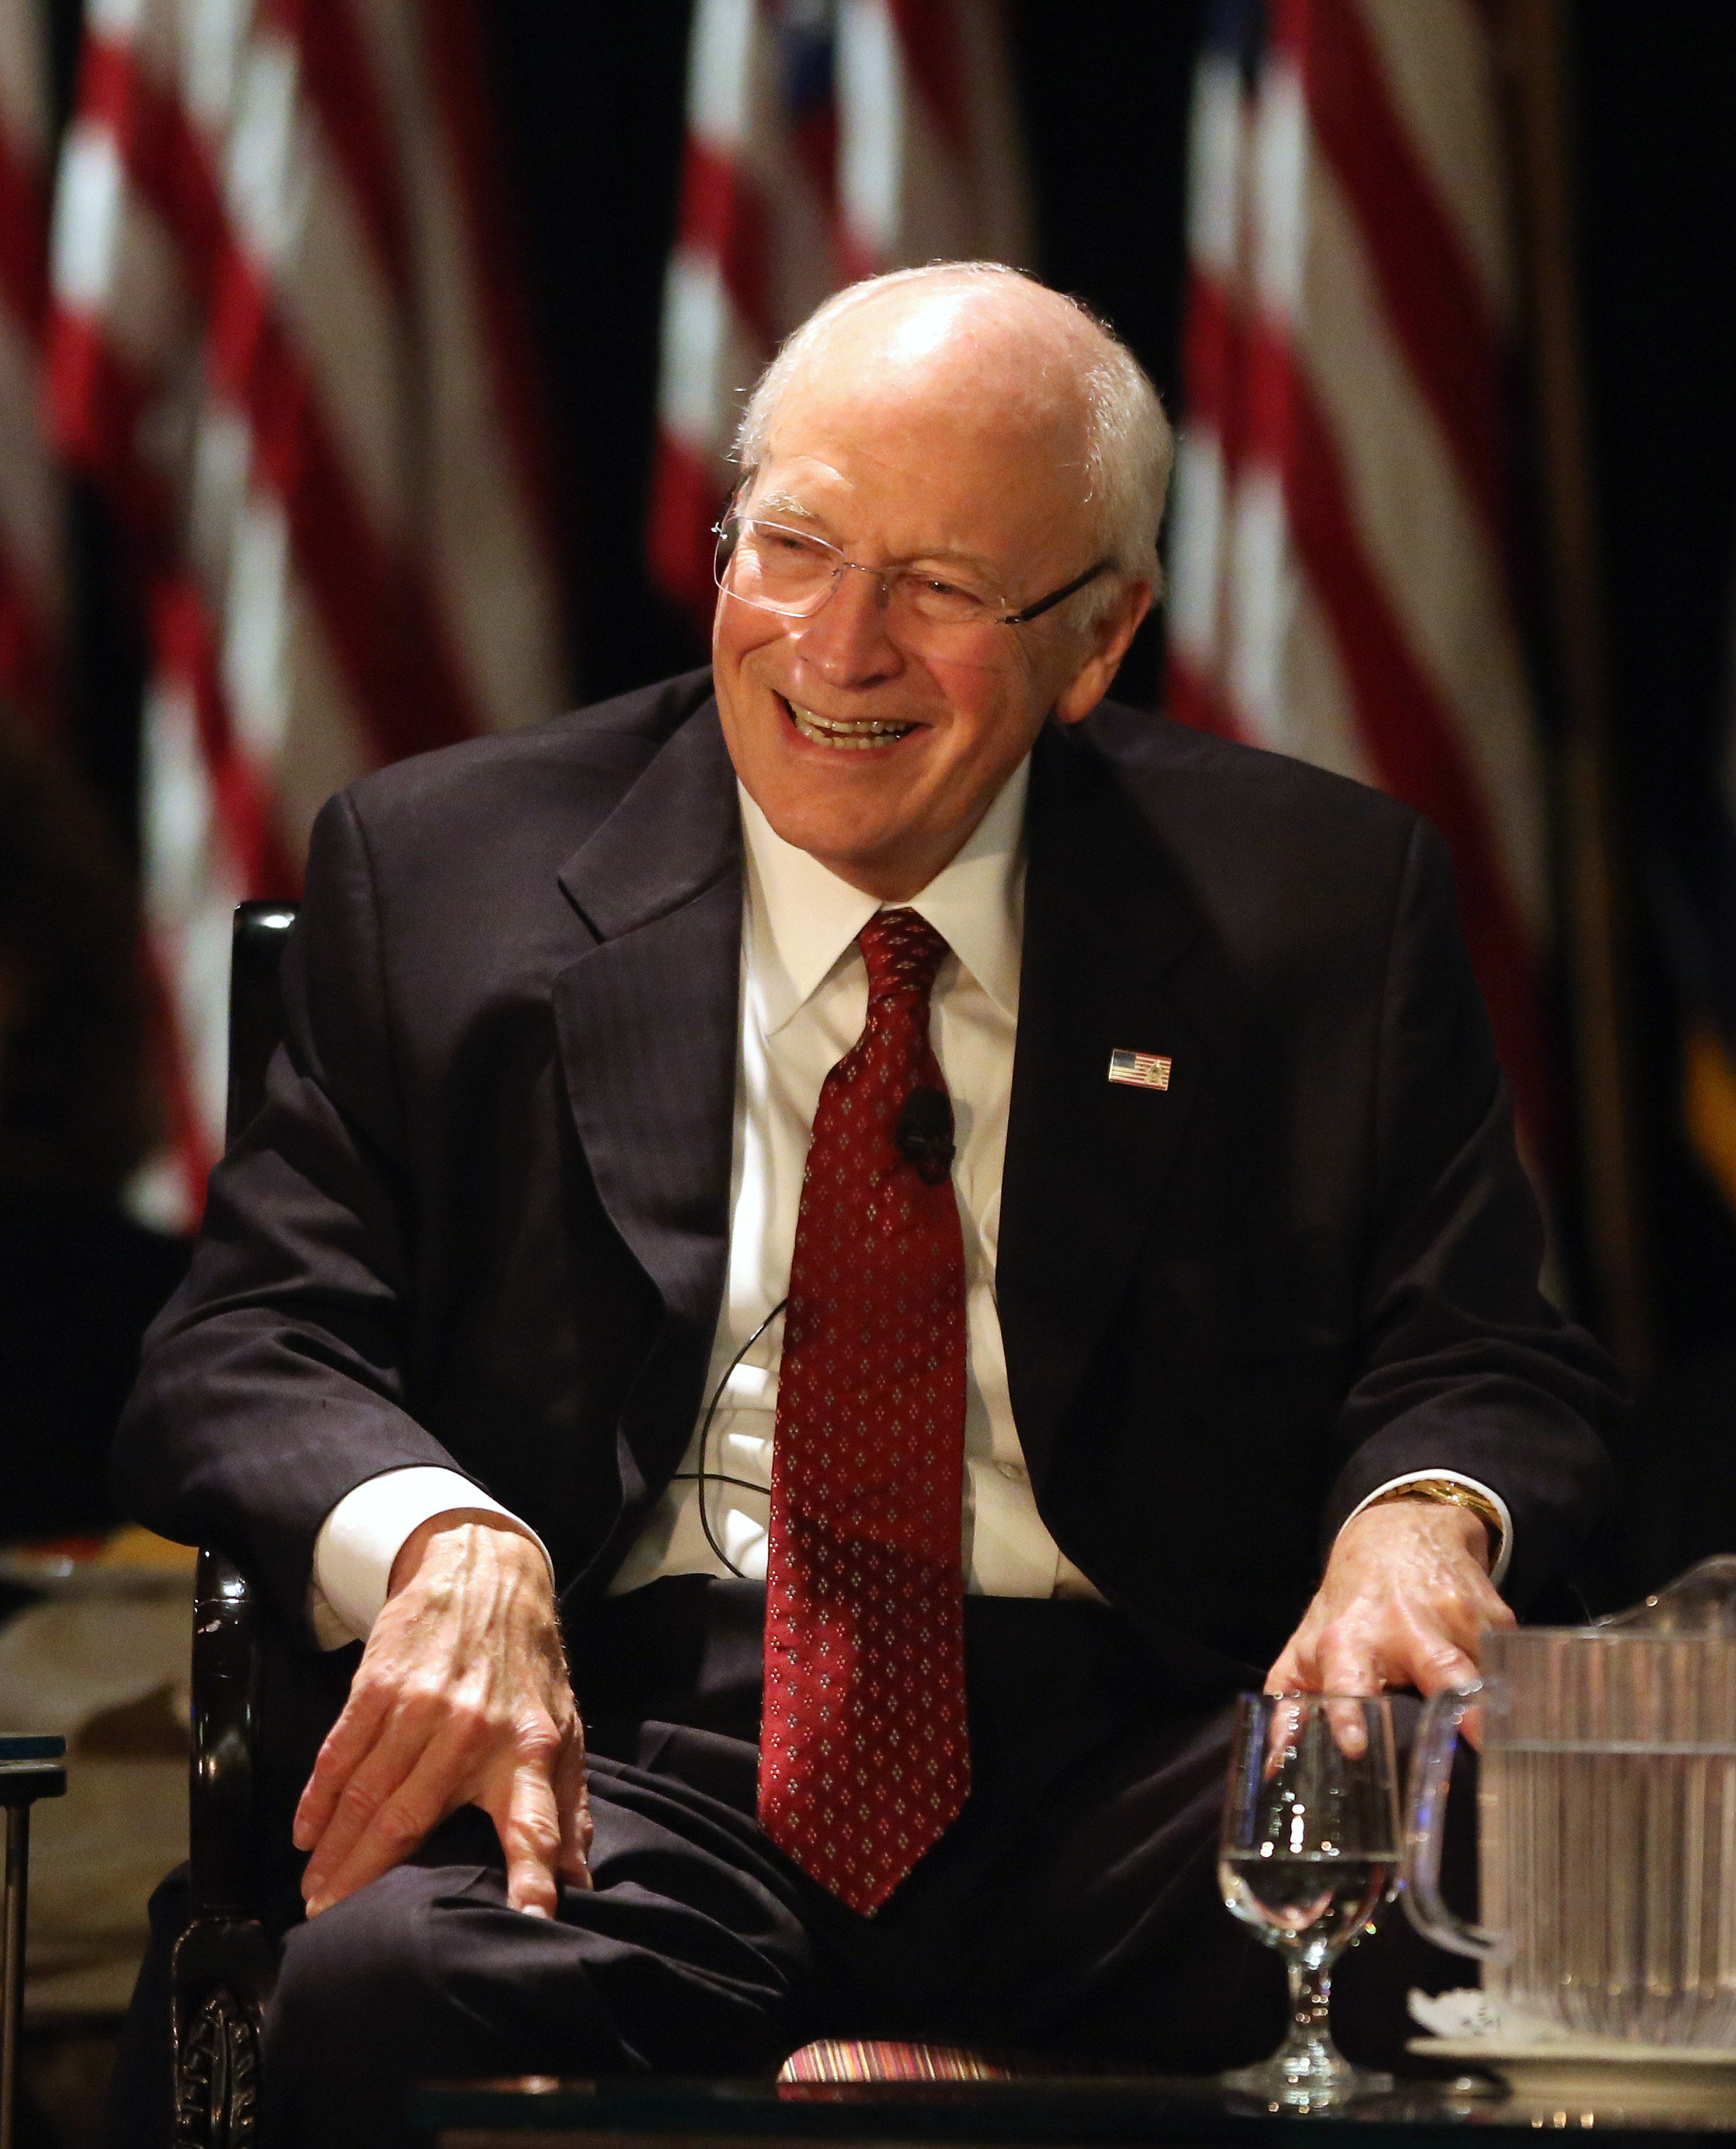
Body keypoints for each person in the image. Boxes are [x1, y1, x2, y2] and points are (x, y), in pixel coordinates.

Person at [109, 265, 1618, 2147]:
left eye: (942, 589)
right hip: (632, 1746)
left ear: (1097, 639)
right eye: (796, 546)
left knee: (1506, 1880)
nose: (838, 647)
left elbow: (1480, 1347)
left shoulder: (1311, 904)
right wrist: (441, 1543)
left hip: (1150, 1756)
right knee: (391, 1985)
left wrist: (1414, 1520)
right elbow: (244, 1344)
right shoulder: (447, 873)